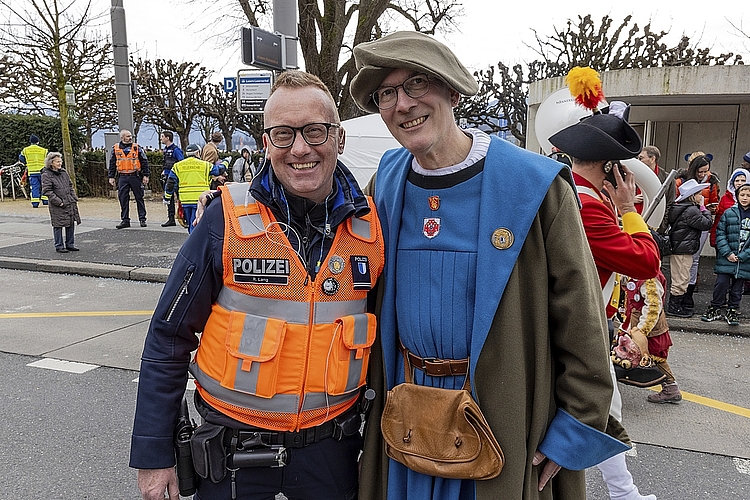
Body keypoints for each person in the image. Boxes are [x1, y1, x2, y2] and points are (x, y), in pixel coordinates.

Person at [350, 31, 624, 500]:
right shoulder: (386, 181)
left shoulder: (535, 186)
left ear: (452, 90)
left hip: (503, 419)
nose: (402, 104)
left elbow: (582, 322)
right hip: (406, 416)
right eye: (387, 93)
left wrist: (574, 426)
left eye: (417, 84)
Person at [130, 70, 385, 500]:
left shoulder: (373, 228)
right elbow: (169, 337)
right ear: (266, 143)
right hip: (232, 455)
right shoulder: (223, 219)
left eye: (315, 131)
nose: (300, 148)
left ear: (339, 139)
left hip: (333, 453)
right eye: (283, 134)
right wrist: (155, 454)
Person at [549, 110, 660, 500]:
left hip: (583, 319)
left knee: (605, 407)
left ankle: (622, 491)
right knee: (597, 408)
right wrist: (629, 209)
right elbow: (646, 261)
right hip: (578, 325)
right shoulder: (588, 205)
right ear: (611, 167)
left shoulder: (583, 195)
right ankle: (621, 492)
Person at [614, 272, 682, 404]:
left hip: (649, 329)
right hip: (635, 322)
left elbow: (653, 307)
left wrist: (641, 331)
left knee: (655, 358)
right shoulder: (636, 271)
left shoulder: (649, 278)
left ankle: (670, 388)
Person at [676, 153, 720, 312]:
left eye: (706, 171)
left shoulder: (712, 182)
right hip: (686, 222)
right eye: (700, 171)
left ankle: (689, 293)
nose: (703, 174)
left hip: (702, 221)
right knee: (682, 259)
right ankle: (678, 294)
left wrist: (710, 209)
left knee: (694, 259)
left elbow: (715, 201)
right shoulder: (681, 180)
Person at [701, 183, 750, 325]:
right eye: (742, 195)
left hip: (744, 260)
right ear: (737, 196)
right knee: (721, 283)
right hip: (727, 257)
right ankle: (715, 307)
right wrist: (727, 252)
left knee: (737, 288)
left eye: (748, 195)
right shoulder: (729, 213)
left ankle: (733, 309)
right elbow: (720, 233)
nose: (745, 198)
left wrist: (743, 255)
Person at [666, 179, 714, 318]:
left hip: (680, 247)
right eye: (699, 193)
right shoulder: (692, 210)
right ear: (693, 196)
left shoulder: (682, 208)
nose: (702, 196)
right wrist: (704, 209)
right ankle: (674, 307)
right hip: (683, 249)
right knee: (681, 279)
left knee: (680, 277)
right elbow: (706, 224)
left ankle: (677, 305)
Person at [163, 143, 219, 233]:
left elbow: (170, 183)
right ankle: (194, 244)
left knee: (190, 223)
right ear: (197, 153)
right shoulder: (205, 165)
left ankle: (192, 240)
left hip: (185, 200)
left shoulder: (178, 166)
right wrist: (226, 162)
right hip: (200, 199)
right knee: (196, 224)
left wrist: (167, 197)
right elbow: (219, 170)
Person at [108, 130, 150, 229]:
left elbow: (144, 162)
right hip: (122, 176)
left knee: (139, 197)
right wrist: (111, 176)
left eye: (130, 136)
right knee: (123, 198)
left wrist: (146, 175)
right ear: (122, 138)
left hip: (135, 176)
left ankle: (142, 219)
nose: (130, 138)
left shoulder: (137, 148)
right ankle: (125, 220)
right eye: (127, 136)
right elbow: (112, 163)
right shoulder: (115, 148)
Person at [41, 151, 80, 253]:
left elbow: (70, 185)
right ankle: (59, 245)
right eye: (57, 162)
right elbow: (47, 191)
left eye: (60, 161)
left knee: (70, 223)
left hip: (69, 201)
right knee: (58, 225)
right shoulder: (46, 175)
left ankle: (70, 244)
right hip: (57, 205)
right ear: (51, 163)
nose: (60, 163)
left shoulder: (63, 172)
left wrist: (73, 197)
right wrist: (59, 202)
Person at [710, 167, 749, 248]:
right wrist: (714, 238)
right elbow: (718, 219)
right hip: (726, 241)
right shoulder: (725, 198)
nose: (739, 183)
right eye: (737, 180)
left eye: (743, 180)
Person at [637, 145, 674, 232]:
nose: (638, 161)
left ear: (652, 159)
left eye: (641, 158)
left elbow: (670, 204)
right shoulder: (633, 174)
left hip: (655, 227)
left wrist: (662, 226)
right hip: (634, 221)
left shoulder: (667, 179)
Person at [159, 131, 184, 227]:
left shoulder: (175, 150)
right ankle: (171, 218)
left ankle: (183, 217)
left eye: (162, 136)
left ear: (167, 138)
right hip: (167, 176)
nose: (161, 139)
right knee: (168, 197)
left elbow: (181, 162)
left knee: (180, 197)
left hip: (175, 177)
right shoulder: (165, 149)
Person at [19, 134, 49, 207]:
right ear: (38, 142)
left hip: (32, 171)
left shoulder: (25, 150)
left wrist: (26, 163)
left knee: (34, 187)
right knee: (44, 186)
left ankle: (35, 203)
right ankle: (45, 201)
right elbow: (48, 159)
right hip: (42, 171)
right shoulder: (44, 150)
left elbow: (21, 158)